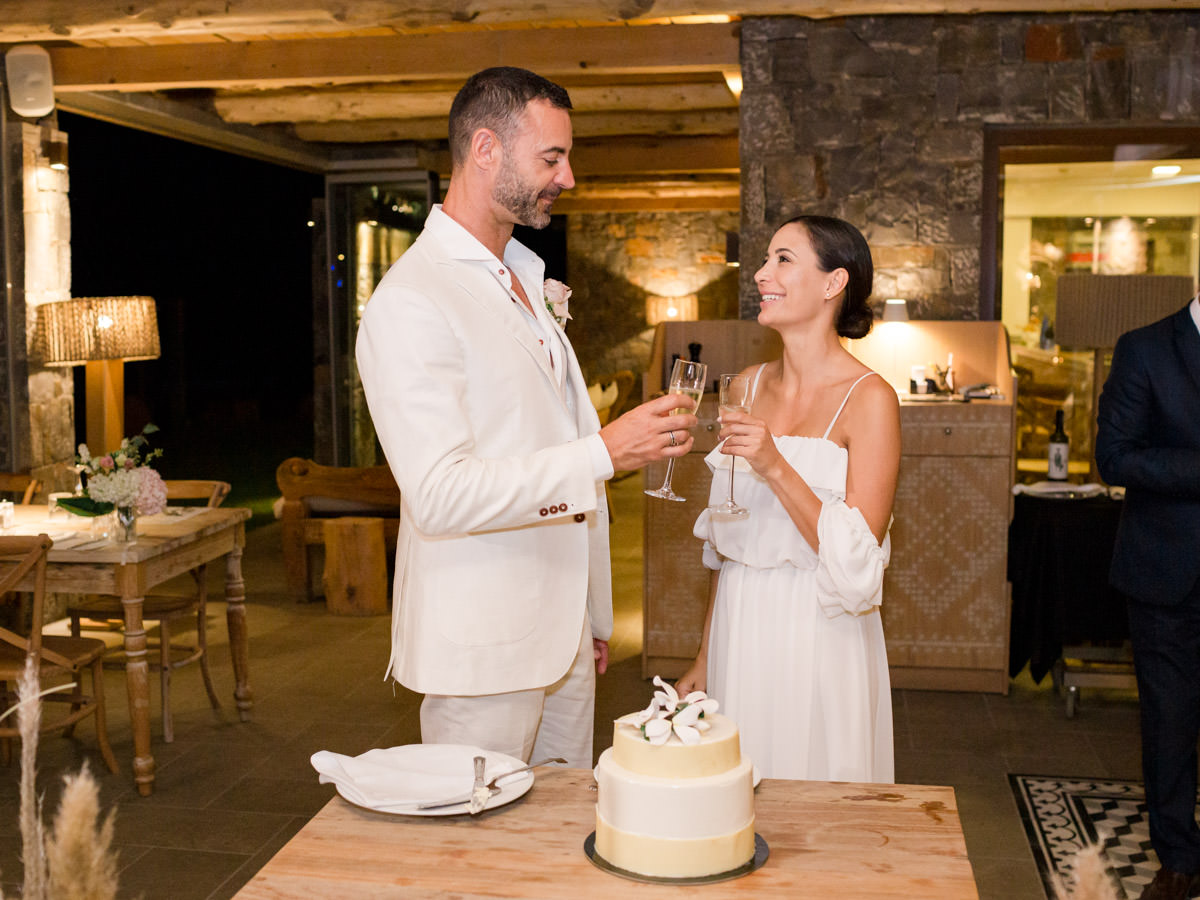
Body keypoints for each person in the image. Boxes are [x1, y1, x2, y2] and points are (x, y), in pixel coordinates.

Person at [355, 66, 696, 769]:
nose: (567, 177)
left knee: (558, 845)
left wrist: (591, 617)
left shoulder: (524, 278)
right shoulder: (413, 299)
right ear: (486, 150)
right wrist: (604, 451)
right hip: (485, 651)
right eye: (551, 158)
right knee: (479, 857)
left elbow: (545, 441)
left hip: (563, 638)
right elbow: (441, 495)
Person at [675, 215, 900, 782]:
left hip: (822, 627)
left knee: (815, 808)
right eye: (765, 259)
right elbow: (727, 544)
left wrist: (775, 464)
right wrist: (706, 656)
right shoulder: (746, 385)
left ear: (833, 283)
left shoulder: (869, 399)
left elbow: (856, 567)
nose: (760, 273)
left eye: (782, 259)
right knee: (734, 800)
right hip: (740, 623)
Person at [1095, 293, 1200, 900]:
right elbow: (1115, 457)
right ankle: (1180, 859)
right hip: (1169, 575)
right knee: (1171, 723)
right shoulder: (1146, 348)